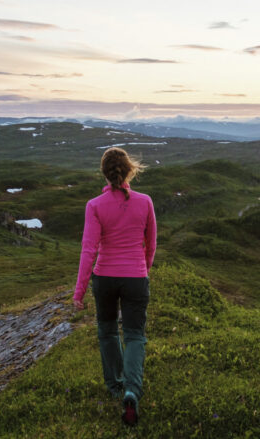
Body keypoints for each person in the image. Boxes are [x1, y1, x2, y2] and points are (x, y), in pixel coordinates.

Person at [73, 147, 156, 426]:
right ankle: (132, 390)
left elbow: (88, 250)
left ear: (104, 173)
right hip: (135, 277)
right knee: (134, 336)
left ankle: (115, 386)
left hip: (105, 278)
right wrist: (142, 270)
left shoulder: (94, 206)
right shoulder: (145, 202)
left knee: (107, 331)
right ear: (130, 170)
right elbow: (151, 244)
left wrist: (79, 292)